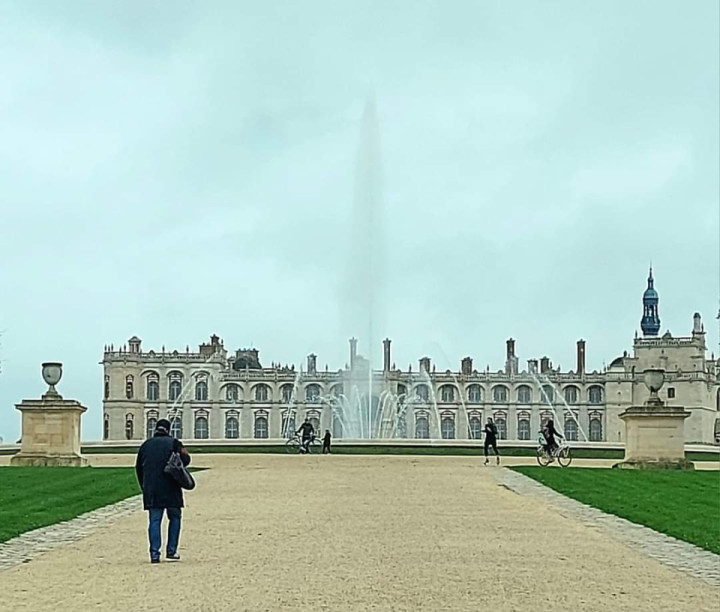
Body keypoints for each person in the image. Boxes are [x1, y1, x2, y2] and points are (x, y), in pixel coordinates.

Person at [135, 418, 191, 563]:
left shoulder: (145, 445)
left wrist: (144, 487)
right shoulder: (174, 443)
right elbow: (186, 460)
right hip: (171, 487)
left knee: (154, 520)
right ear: (169, 429)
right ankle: (171, 551)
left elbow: (139, 469)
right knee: (175, 518)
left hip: (152, 489)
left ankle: (154, 554)